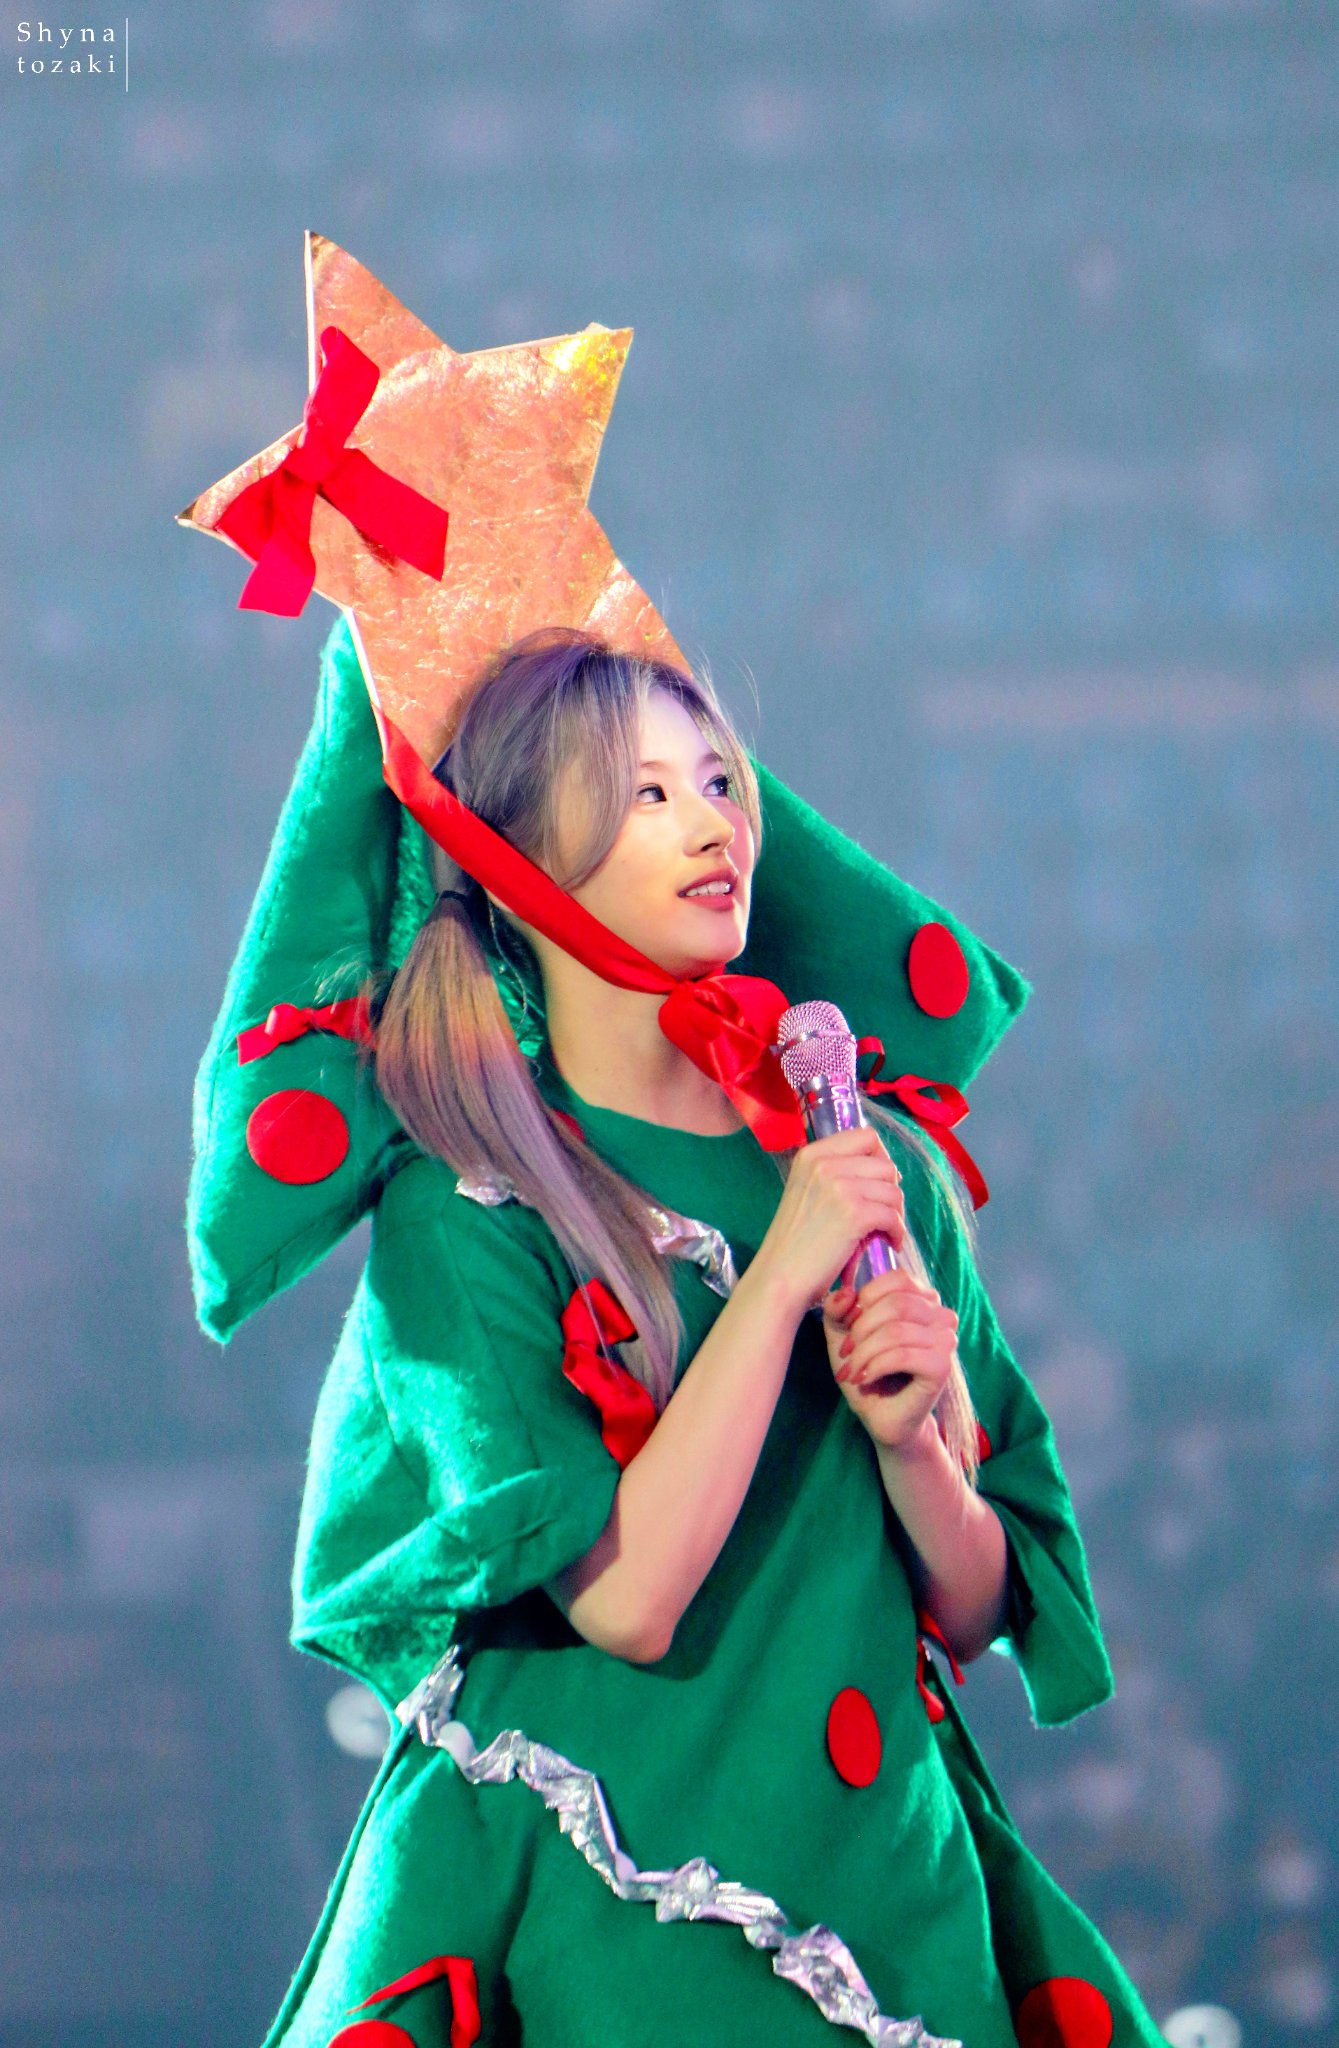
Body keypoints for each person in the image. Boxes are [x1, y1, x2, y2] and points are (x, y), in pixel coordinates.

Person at [244, 628, 1168, 2048]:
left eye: (718, 780)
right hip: (628, 1901)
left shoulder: (874, 1162)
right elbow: (624, 1603)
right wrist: (786, 1271)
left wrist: (913, 1449)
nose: (711, 824)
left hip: (895, 1892)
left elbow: (982, 1607)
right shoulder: (467, 1210)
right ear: (522, 864)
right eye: (645, 793)